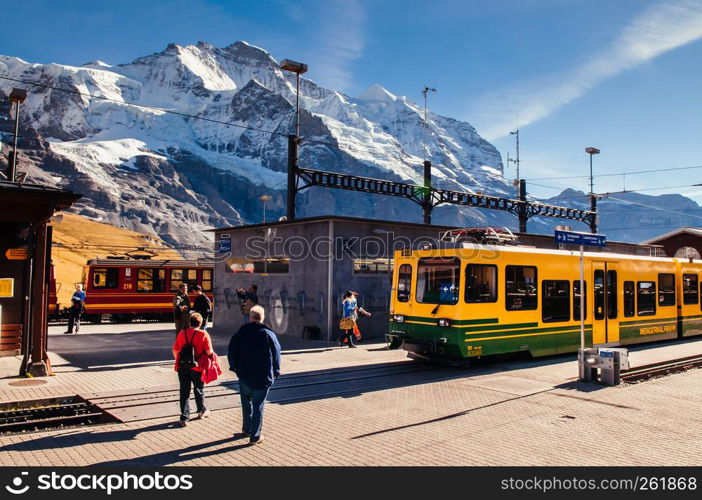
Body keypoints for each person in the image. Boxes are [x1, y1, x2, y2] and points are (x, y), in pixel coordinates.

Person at [227, 305, 281, 445]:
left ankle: (247, 429)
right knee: (258, 405)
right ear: (262, 318)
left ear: (250, 318)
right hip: (263, 377)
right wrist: (276, 370)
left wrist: (234, 367)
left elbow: (232, 350)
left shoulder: (241, 332)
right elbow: (276, 353)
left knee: (246, 402)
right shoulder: (269, 334)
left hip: (244, 375)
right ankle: (255, 436)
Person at [172, 312, 213, 427]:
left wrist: (181, 360)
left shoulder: (182, 333)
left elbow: (175, 350)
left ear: (190, 322)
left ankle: (184, 417)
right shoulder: (203, 334)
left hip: (182, 367)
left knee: (184, 391)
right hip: (197, 367)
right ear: (200, 323)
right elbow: (209, 352)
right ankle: (201, 411)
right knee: (198, 389)